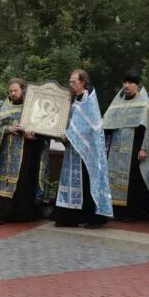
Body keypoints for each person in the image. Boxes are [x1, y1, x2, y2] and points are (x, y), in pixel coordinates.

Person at [52, 69, 113, 228]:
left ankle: (94, 218)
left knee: (87, 182)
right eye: (70, 81)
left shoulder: (89, 100)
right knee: (72, 181)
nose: (70, 84)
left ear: (83, 83)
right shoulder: (72, 100)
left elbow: (90, 126)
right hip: (73, 149)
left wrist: (68, 134)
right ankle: (70, 217)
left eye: (74, 81)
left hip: (88, 151)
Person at [101, 71, 149, 221]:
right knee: (112, 177)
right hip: (116, 147)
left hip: (134, 147)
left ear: (136, 85)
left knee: (133, 180)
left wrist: (144, 149)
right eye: (125, 82)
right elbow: (106, 124)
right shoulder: (118, 103)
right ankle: (114, 209)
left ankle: (130, 212)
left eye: (130, 83)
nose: (126, 86)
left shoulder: (143, 104)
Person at [0, 79, 47, 223]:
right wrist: (8, 129)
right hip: (8, 153)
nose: (13, 93)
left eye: (16, 91)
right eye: (11, 91)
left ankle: (24, 213)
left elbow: (42, 128)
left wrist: (32, 135)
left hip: (27, 151)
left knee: (24, 181)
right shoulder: (5, 107)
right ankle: (2, 213)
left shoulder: (31, 108)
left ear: (23, 90)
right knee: (7, 182)